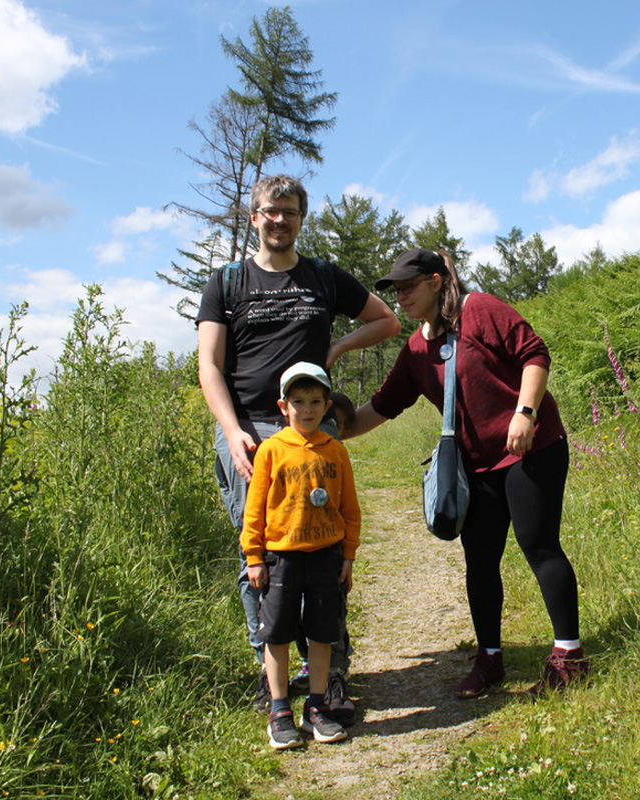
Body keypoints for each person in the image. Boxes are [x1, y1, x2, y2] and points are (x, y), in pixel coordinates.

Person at [195, 174, 400, 719]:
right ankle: (275, 679)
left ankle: (329, 680)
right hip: (251, 432)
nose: (278, 219)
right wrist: (232, 428)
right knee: (259, 555)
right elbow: (209, 365)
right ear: (253, 217)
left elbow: (387, 320)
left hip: (315, 433)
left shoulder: (323, 278)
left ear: (301, 217)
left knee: (325, 550)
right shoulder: (228, 283)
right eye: (268, 211)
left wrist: (333, 350)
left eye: (288, 211)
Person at [346, 248, 588, 697]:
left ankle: (569, 658)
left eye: (408, 287)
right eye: (395, 290)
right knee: (480, 560)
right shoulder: (417, 349)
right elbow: (380, 406)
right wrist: (323, 430)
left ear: (437, 281)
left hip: (531, 448)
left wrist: (526, 412)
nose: (401, 297)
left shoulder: (480, 310)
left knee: (539, 546)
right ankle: (489, 659)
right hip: (475, 466)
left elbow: (534, 354)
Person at [241, 362, 360, 749]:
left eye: (314, 401)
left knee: (323, 632)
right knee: (276, 635)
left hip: (326, 556)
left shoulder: (336, 451)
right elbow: (255, 509)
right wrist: (254, 557)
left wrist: (348, 555)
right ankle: (279, 711)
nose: (306, 409)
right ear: (283, 406)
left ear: (327, 406)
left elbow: (349, 509)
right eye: (297, 402)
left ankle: (316, 706)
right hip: (280, 559)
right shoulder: (271, 451)